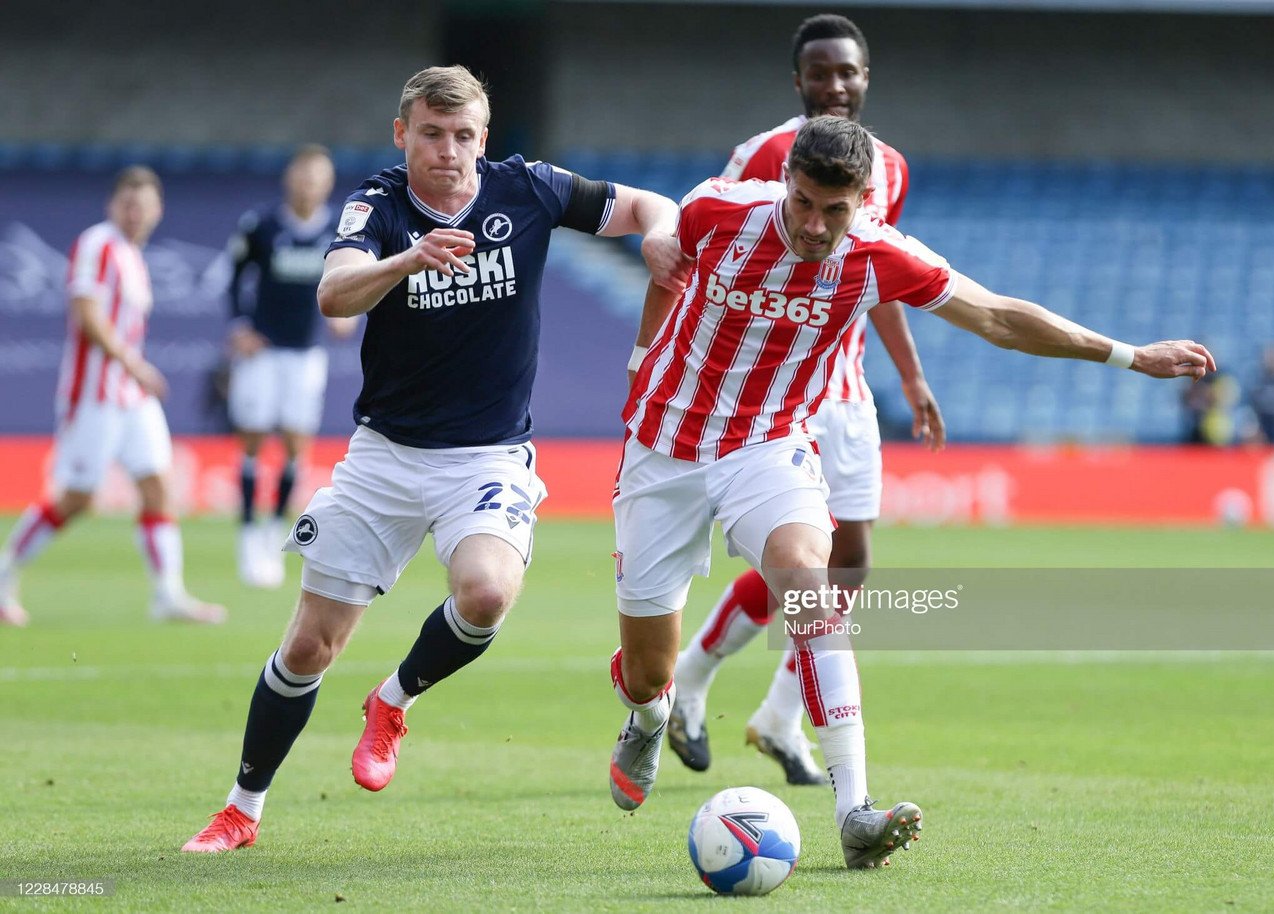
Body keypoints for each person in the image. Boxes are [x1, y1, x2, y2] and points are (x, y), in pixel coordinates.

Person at [608, 116, 1213, 869]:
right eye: (802, 203)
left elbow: (996, 316)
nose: (814, 226)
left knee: (810, 585)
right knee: (646, 671)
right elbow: (668, 255)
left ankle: (855, 809)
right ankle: (650, 715)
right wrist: (640, 356)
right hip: (661, 449)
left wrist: (1129, 356)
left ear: (864, 201)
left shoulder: (878, 254)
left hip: (766, 445)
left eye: (836, 211)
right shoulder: (721, 209)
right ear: (785, 182)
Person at [182, 65, 683, 852]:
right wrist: (405, 262)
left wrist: (658, 234)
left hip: (487, 457)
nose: (447, 152)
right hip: (385, 455)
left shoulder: (530, 188)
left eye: (463, 137)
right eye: (431, 135)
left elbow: (651, 206)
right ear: (402, 134)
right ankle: (242, 808)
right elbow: (335, 293)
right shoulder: (377, 205)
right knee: (310, 645)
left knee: (486, 594)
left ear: (484, 139)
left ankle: (393, 702)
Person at [669, 13, 943, 787]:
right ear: (798, 82)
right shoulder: (764, 154)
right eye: (820, 72)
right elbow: (711, 259)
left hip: (848, 390)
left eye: (847, 71)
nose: (834, 85)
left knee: (850, 563)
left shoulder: (889, 167)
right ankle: (692, 676)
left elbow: (880, 272)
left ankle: (779, 715)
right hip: (779, 390)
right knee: (803, 562)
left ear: (865, 77)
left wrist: (912, 377)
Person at [0, 167, 226, 627]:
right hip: (94, 394)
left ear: (158, 210)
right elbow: (87, 314)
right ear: (112, 205)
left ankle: (168, 594)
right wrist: (133, 363)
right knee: (78, 498)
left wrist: (132, 373)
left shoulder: (132, 255)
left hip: (129, 396)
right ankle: (5, 572)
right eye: (128, 202)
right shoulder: (97, 244)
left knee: (158, 486)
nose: (135, 212)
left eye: (143, 204)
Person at [225, 145, 356, 588]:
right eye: (302, 176)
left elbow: (353, 276)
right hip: (262, 350)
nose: (308, 185)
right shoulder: (261, 225)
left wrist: (347, 312)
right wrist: (239, 324)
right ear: (290, 179)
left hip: (305, 353)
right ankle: (247, 529)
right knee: (254, 438)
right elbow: (232, 276)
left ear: (327, 183)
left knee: (297, 443)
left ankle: (272, 535)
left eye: (318, 177)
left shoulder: (340, 230)